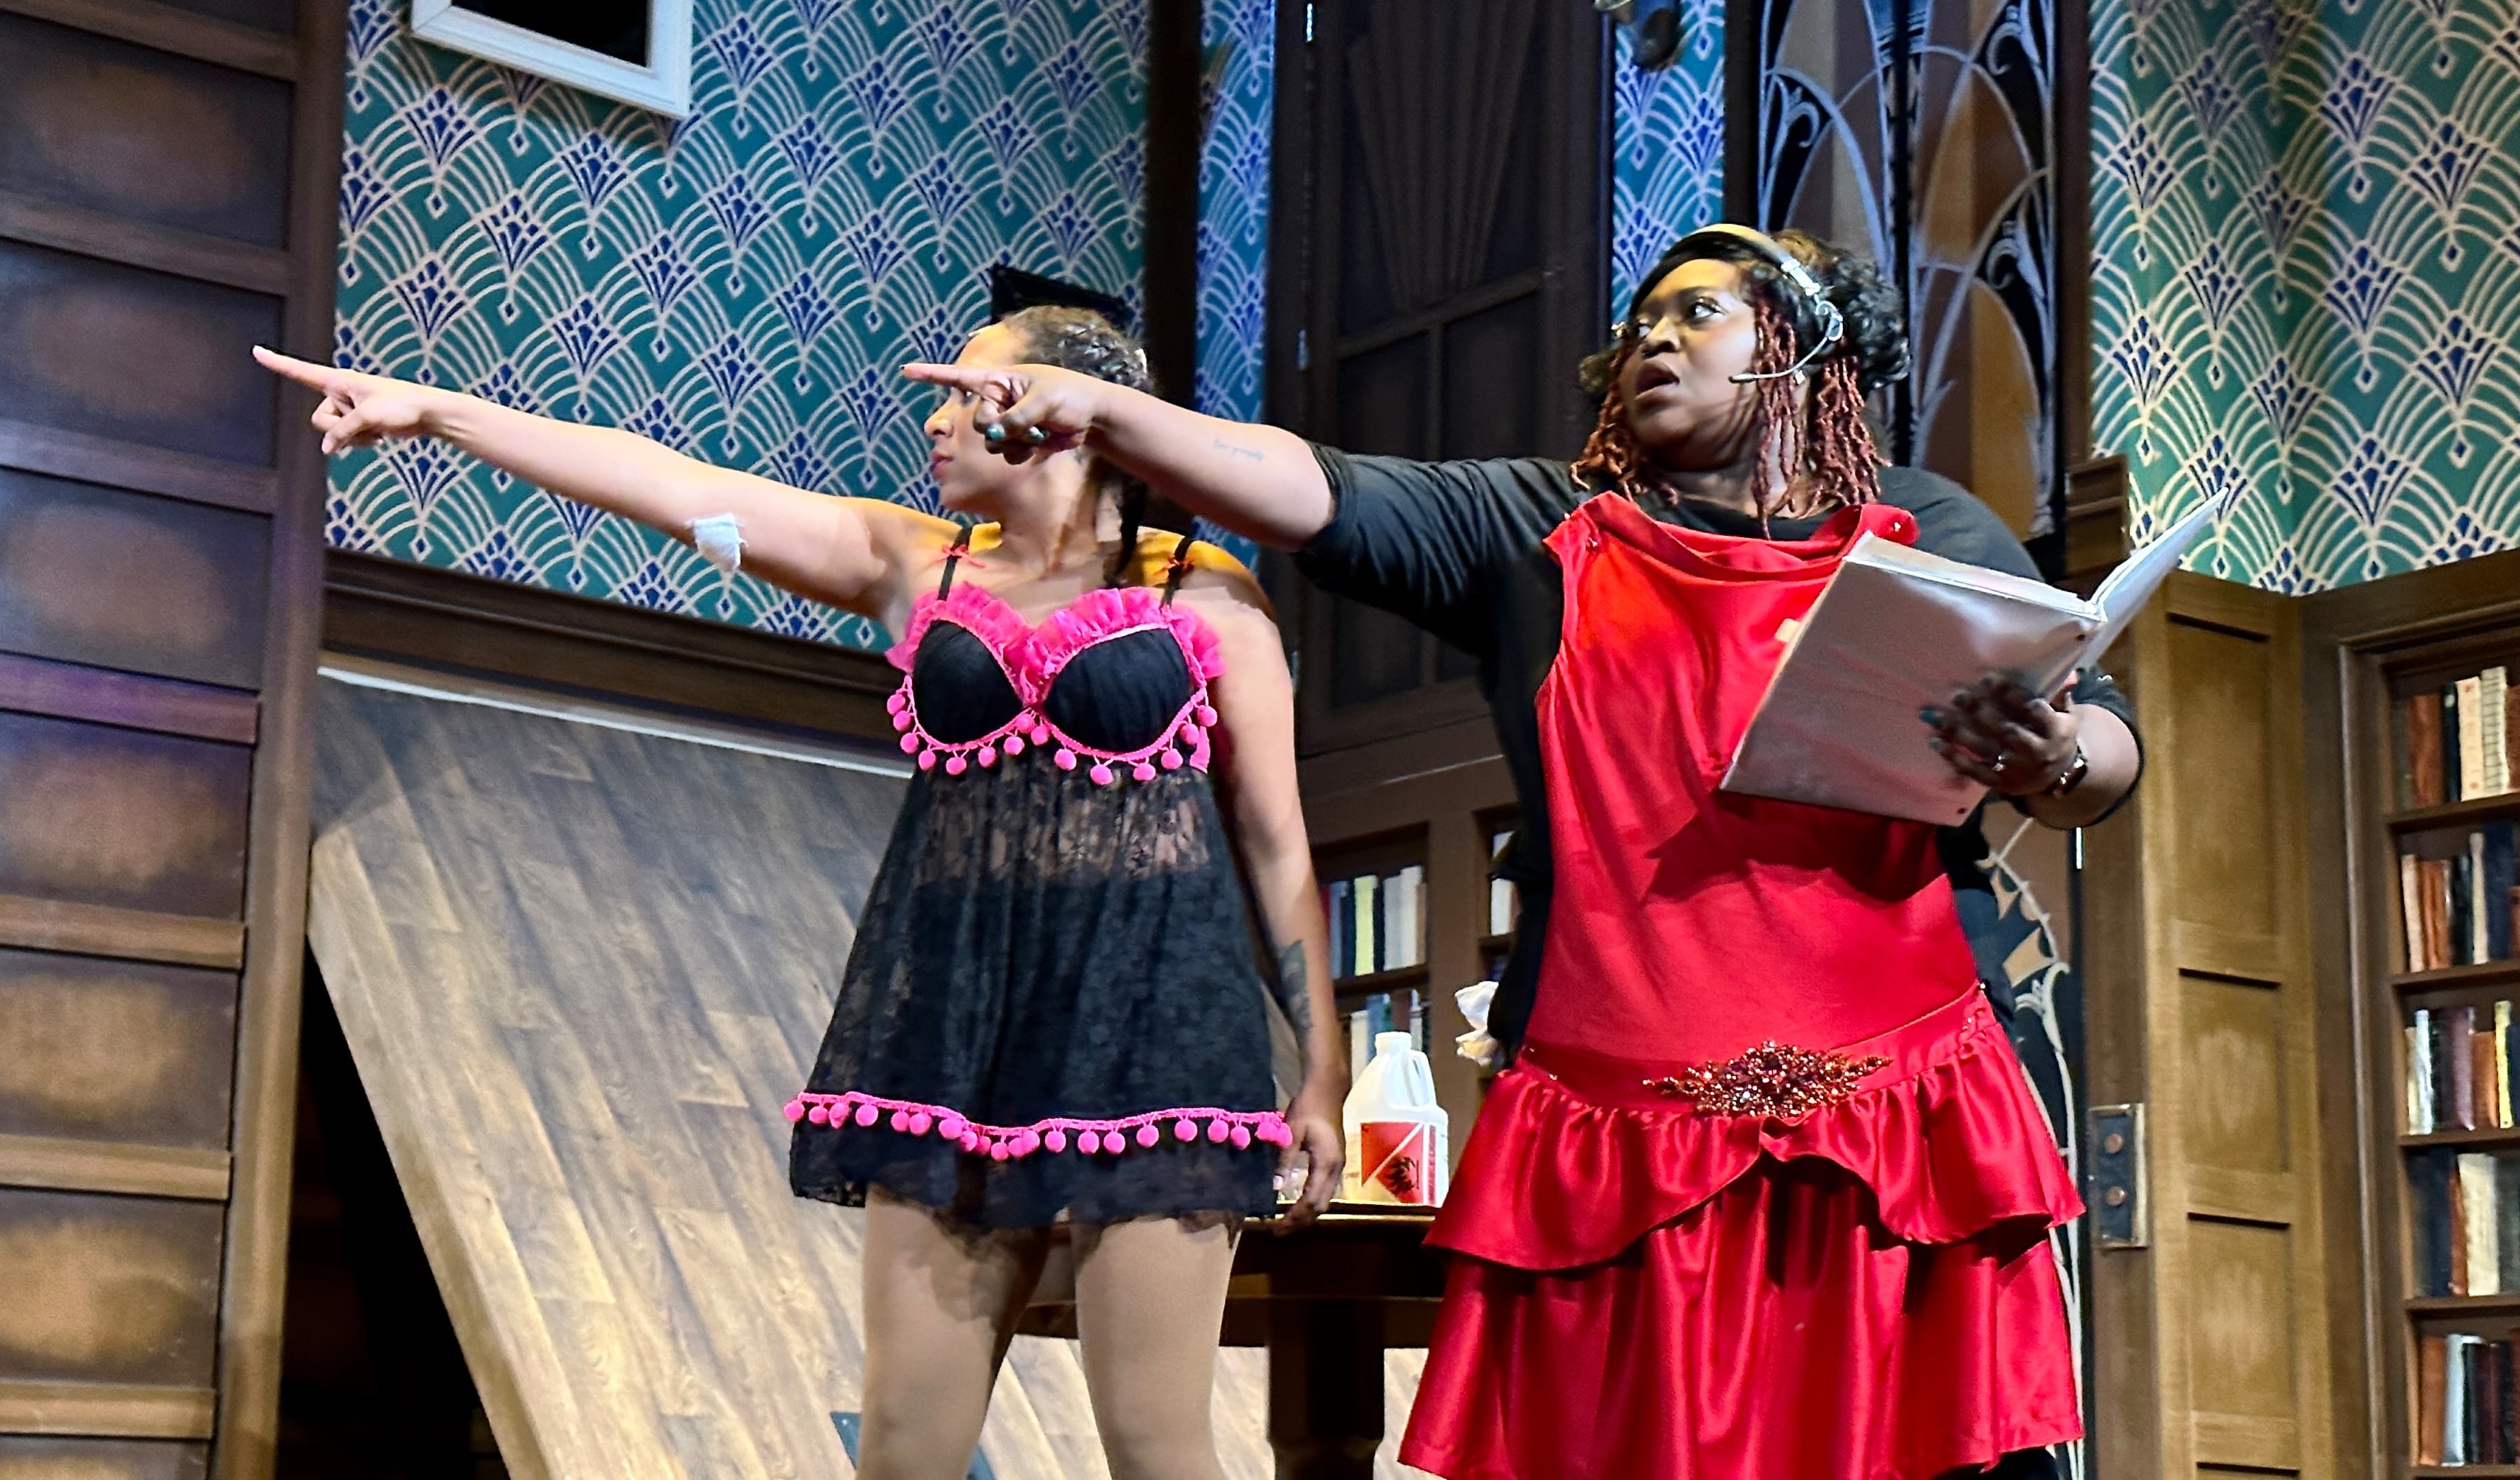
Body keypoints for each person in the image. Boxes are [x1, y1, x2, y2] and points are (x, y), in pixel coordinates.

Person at [903, 227, 2141, 1479]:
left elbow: (2103, 737)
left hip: (1889, 1125)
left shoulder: (1923, 527)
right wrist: (1106, 412)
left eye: (1700, 311)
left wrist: (2055, 758)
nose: (1653, 337)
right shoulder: (1538, 527)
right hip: (1619, 1124)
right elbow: (1305, 483)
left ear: (1806, 338)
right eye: (1640, 324)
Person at [255, 306, 1347, 1480]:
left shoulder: (1205, 594)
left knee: (1155, 1448)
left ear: (1060, 408)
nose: (933, 420)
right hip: (948, 1040)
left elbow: (1276, 845)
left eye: (963, 391)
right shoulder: (910, 564)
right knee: (903, 1451)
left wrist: (1322, 1070)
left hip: (1158, 1040)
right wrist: (442, 416)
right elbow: (674, 487)